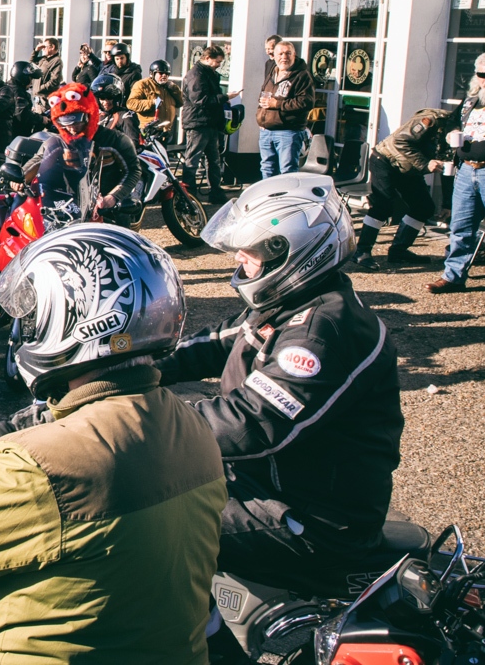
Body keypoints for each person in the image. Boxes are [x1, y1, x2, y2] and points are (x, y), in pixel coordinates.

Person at [0, 226, 225, 665]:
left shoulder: (42, 464)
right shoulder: (192, 425)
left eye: (34, 313)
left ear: (75, 318)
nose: (26, 327)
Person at [162, 174, 402, 662]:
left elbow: (254, 421)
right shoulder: (296, 304)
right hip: (274, 491)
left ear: (292, 252)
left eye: (251, 250)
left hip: (310, 519)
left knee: (155, 524)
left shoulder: (322, 330)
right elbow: (214, 344)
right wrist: (128, 364)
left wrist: (144, 429)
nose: (239, 260)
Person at [428, 50, 485, 310]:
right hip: (467, 171)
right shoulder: (471, 100)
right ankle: (453, 276)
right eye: (482, 74)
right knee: (461, 228)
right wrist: (451, 135)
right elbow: (453, 123)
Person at [353, 105, 454, 270]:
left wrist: (447, 205)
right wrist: (425, 164)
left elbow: (448, 169)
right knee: (383, 205)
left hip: (408, 169)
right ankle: (361, 251)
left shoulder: (463, 138)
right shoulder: (432, 120)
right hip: (385, 160)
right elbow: (401, 140)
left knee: (424, 207)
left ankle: (399, 251)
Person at [34, 82, 141, 223]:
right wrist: (18, 178)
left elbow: (133, 170)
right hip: (70, 212)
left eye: (77, 121)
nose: (72, 128)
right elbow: (35, 162)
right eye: (65, 122)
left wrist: (113, 197)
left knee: (121, 242)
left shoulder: (115, 139)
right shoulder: (55, 142)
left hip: (109, 211)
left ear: (89, 115)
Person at [181, 45, 235, 205]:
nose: (219, 64)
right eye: (217, 61)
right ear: (207, 58)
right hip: (199, 122)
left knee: (212, 159)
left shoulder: (204, 73)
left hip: (208, 121)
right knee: (194, 159)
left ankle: (214, 191)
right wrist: (223, 97)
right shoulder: (197, 75)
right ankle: (189, 193)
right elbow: (199, 100)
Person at [256, 41, 314, 177]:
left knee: (287, 172)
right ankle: (269, 198)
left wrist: (277, 104)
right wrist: (261, 119)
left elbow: (306, 102)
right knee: (267, 169)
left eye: (288, 53)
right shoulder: (272, 73)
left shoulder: (302, 76)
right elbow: (263, 99)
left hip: (288, 132)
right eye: (280, 53)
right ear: (274, 56)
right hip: (266, 132)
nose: (284, 57)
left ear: (294, 55)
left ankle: (286, 198)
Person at [127, 59, 184, 131]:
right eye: (161, 73)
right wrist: (152, 103)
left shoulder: (170, 87)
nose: (164, 76)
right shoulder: (142, 85)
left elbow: (181, 102)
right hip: (149, 130)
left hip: (167, 130)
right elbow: (131, 103)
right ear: (152, 74)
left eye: (167, 74)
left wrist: (174, 90)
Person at [91, 72, 140, 145]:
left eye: (109, 97)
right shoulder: (95, 116)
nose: (106, 101)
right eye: (102, 98)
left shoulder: (125, 116)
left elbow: (133, 144)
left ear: (116, 98)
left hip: (116, 155)